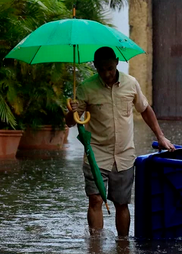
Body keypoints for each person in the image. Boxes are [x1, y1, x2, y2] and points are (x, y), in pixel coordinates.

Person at [66, 46, 175, 238]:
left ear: (117, 62)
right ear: (95, 67)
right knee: (96, 200)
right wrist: (71, 111)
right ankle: (96, 249)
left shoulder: (131, 83)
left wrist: (160, 136)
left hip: (124, 155)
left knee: (122, 203)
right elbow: (71, 122)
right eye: (101, 69)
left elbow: (145, 109)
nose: (107, 73)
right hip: (96, 154)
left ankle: (123, 246)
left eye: (109, 67)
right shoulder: (86, 88)